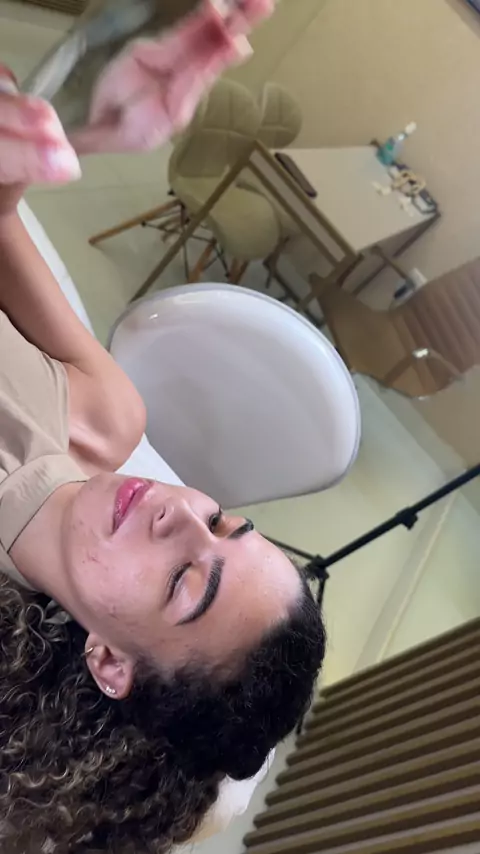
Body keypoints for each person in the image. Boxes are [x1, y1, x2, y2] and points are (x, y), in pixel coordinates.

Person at [0, 48, 325, 854]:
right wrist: (45, 126)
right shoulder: (106, 417)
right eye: (221, 522)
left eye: (184, 581)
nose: (178, 512)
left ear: (112, 663)